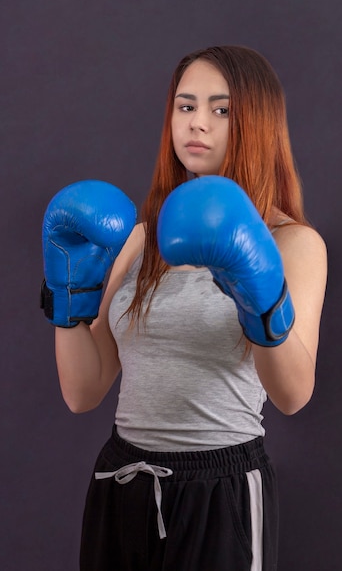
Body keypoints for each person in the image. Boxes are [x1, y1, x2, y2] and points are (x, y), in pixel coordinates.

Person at [41, 45, 327, 571]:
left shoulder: (291, 242)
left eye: (221, 110)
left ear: (257, 124)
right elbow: (84, 391)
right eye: (185, 105)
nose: (198, 123)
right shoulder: (140, 239)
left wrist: (257, 291)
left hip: (221, 488)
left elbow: (293, 395)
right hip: (122, 478)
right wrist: (66, 297)